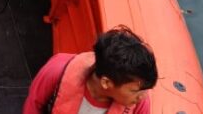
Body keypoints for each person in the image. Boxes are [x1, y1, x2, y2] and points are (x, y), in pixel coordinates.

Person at [23, 26, 158, 114]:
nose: (143, 96)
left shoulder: (140, 104)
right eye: (135, 91)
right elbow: (33, 106)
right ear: (106, 82)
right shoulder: (57, 70)